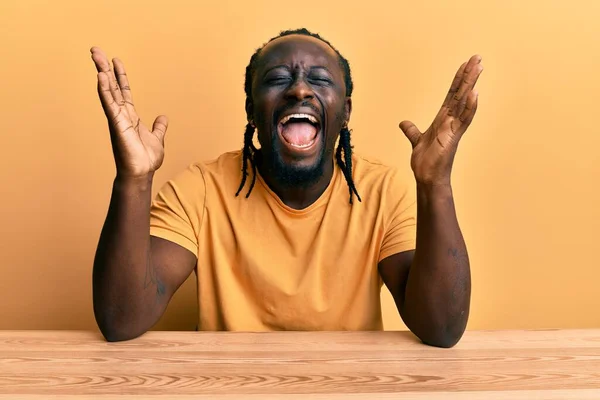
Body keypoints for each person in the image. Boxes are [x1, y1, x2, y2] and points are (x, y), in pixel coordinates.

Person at [91, 28, 482, 348]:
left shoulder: (381, 190)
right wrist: (134, 179)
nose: (299, 90)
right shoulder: (201, 190)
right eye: (278, 79)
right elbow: (121, 320)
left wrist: (436, 185)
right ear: (251, 109)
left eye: (320, 79)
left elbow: (441, 328)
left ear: (345, 112)